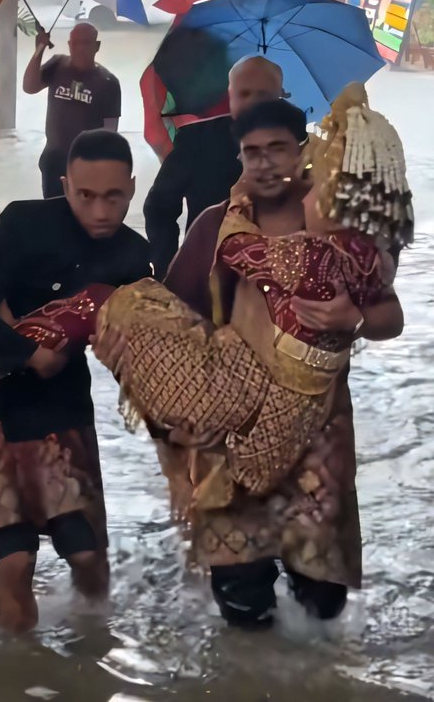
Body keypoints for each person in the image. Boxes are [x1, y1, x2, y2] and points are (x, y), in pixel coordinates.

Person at [93, 87, 410, 629]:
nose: (265, 162)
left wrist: (350, 320)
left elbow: (391, 317)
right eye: (252, 151)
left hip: (321, 436)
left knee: (323, 603)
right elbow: (173, 329)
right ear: (238, 155)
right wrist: (174, 459)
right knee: (243, 609)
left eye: (277, 149)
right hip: (232, 437)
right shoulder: (217, 227)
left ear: (302, 150)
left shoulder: (338, 227)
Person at [0, 130, 151, 634]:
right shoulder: (24, 224)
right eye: (86, 196)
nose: (101, 211)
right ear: (65, 186)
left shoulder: (135, 258)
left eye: (114, 197)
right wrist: (27, 352)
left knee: (86, 552)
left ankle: (93, 649)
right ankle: (19, 672)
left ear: (132, 187)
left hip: (61, 406)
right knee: (15, 558)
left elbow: (148, 354)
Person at [143, 56, 284, 279]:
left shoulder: (299, 147)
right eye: (244, 94)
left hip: (276, 278)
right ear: (230, 96)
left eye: (263, 95)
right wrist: (169, 268)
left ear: (280, 97)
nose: (253, 103)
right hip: (206, 276)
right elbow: (158, 208)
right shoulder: (197, 139)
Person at [23, 23, 121, 199]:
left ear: (96, 46)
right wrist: (39, 50)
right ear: (69, 45)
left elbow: (111, 132)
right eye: (76, 43)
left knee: (81, 217)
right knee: (53, 213)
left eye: (86, 43)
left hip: (86, 162)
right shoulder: (57, 65)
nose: (80, 48)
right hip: (54, 158)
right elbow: (29, 87)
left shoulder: (108, 82)